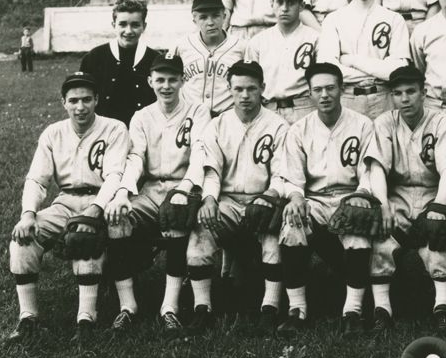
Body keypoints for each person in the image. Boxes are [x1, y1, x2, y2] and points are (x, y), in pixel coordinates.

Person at [7, 71, 129, 342]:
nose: (80, 107)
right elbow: (37, 179)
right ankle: (28, 317)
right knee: (23, 239)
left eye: (87, 99)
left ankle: (86, 319)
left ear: (97, 100)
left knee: (86, 239)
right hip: (65, 201)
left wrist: (95, 210)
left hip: (102, 200)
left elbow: (115, 176)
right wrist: (28, 214)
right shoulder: (53, 132)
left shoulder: (114, 128)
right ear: (63, 102)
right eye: (73, 100)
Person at [276, 62, 388, 335]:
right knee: (291, 223)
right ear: (310, 94)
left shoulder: (362, 124)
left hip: (349, 196)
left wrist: (363, 193)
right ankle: (297, 309)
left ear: (341, 90)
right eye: (318, 90)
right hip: (313, 198)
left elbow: (370, 168)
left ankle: (353, 311)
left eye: (330, 88)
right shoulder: (299, 129)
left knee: (357, 230)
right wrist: (295, 197)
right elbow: (292, 175)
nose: (324, 95)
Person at [104, 52, 211, 334]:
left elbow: (200, 154)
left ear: (182, 81)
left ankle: (169, 307)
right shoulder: (141, 116)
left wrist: (185, 188)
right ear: (150, 81)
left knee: (174, 213)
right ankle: (128, 306)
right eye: (160, 80)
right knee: (117, 220)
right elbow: (135, 157)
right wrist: (123, 192)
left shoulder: (197, 110)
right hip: (150, 188)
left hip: (183, 185)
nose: (166, 86)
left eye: (172, 80)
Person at [184, 60, 292, 333]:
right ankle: (202, 308)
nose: (245, 96)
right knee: (200, 231)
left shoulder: (278, 125)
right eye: (239, 89)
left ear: (262, 89)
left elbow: (282, 172)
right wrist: (209, 199)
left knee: (272, 236)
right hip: (228, 199)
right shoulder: (218, 124)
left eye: (251, 89)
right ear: (229, 90)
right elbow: (211, 170)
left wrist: (270, 196)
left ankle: (269, 307)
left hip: (263, 197)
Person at [368, 65, 446, 331]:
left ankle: (443, 306)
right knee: (381, 242)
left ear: (424, 93)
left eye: (410, 92)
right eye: (397, 93)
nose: (404, 99)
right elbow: (377, 168)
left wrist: (440, 205)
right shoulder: (385, 122)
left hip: (432, 192)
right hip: (398, 196)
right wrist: (383, 204)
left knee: (437, 242)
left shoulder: (439, 120)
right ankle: (382, 308)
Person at [317, 0, 410, 119]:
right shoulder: (333, 20)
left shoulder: (394, 19)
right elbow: (329, 69)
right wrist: (379, 69)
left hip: (384, 97)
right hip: (347, 97)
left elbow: (398, 70)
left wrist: (352, 61)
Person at [244, 0, 318, 125]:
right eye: (280, 2)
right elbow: (251, 82)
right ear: (272, 4)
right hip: (269, 109)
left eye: (290, 2)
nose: (284, 8)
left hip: (304, 107)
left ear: (302, 6)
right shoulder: (258, 42)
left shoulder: (315, 38)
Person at [80, 0, 161, 127]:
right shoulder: (94, 58)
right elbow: (82, 99)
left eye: (135, 25)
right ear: (113, 25)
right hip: (103, 133)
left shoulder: (155, 59)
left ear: (144, 26)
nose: (128, 31)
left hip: (145, 132)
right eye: (122, 24)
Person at [174, 0, 247, 118]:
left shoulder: (241, 47)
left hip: (228, 117)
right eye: (203, 17)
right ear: (194, 20)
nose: (210, 22)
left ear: (224, 16)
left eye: (215, 16)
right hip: (190, 118)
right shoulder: (182, 46)